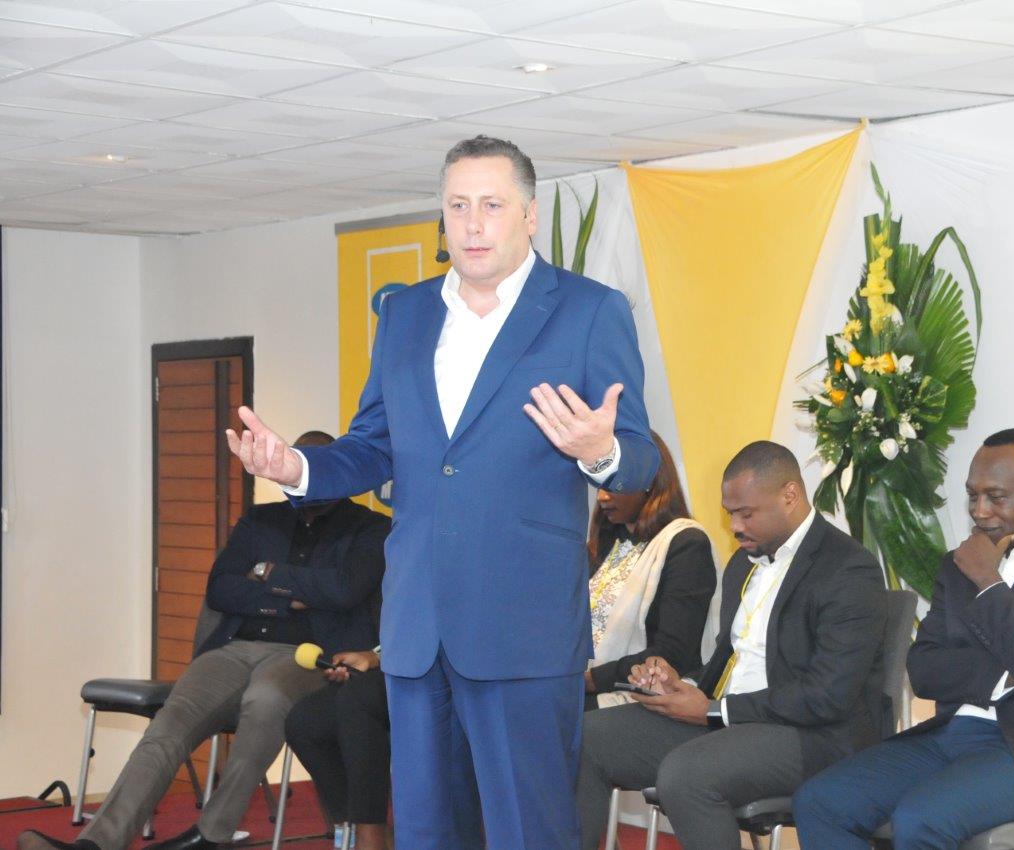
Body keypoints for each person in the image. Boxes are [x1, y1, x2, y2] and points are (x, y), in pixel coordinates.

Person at [224, 135, 658, 849]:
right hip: (418, 625)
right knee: (426, 829)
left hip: (522, 626)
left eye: (492, 205)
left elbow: (639, 460)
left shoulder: (588, 311)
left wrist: (600, 451)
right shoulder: (405, 313)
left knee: (530, 830)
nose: (473, 224)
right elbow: (373, 445)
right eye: (458, 206)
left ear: (530, 215)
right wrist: (296, 469)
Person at [19, 432, 390, 850]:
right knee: (171, 722)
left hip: (303, 656)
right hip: (234, 648)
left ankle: (213, 833)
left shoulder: (370, 529)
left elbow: (344, 590)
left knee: (266, 700)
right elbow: (222, 589)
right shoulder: (260, 520)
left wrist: (268, 573)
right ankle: (96, 843)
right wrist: (295, 597)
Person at [793, 428, 1014, 849]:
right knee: (820, 802)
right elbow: (924, 670)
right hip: (953, 733)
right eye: (973, 495)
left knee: (920, 819)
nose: (980, 511)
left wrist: (989, 582)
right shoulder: (958, 565)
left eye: (996, 497)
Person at [577, 441, 887, 850]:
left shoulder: (848, 567)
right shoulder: (743, 562)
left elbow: (828, 695)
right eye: (730, 514)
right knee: (584, 738)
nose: (736, 526)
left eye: (747, 513)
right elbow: (727, 663)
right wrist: (681, 685)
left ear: (790, 495)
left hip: (812, 735)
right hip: (731, 720)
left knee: (687, 775)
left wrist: (713, 710)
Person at [585, 430, 718, 709]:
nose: (602, 496)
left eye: (613, 483)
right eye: (599, 484)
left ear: (648, 480)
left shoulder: (686, 544)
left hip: (648, 695)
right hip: (585, 684)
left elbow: (673, 654)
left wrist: (590, 680)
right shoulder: (608, 542)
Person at [285, 649, 393, 850]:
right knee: (303, 722)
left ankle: (369, 832)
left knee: (358, 699)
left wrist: (376, 658)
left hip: (416, 671)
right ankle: (353, 824)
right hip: (366, 675)